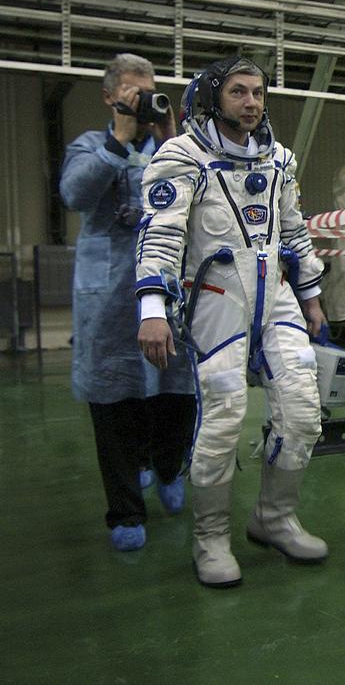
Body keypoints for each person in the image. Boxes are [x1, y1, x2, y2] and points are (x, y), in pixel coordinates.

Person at [135, 55, 328, 588]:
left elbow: (294, 230)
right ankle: (211, 538)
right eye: (239, 92)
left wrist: (311, 296)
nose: (251, 103)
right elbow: (161, 234)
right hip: (217, 295)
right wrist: (152, 309)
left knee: (304, 408)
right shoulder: (182, 157)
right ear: (213, 97)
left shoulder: (280, 161)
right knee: (225, 412)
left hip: (277, 297)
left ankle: (274, 518)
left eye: (259, 94)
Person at [60, 53, 197, 552]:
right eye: (131, 95)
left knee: (176, 392)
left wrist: (173, 140)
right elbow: (74, 194)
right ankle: (124, 510)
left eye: (148, 92)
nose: (141, 102)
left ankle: (166, 467)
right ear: (108, 96)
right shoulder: (89, 145)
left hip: (167, 289)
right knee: (116, 404)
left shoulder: (170, 148)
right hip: (112, 299)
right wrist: (117, 140)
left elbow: (201, 196)